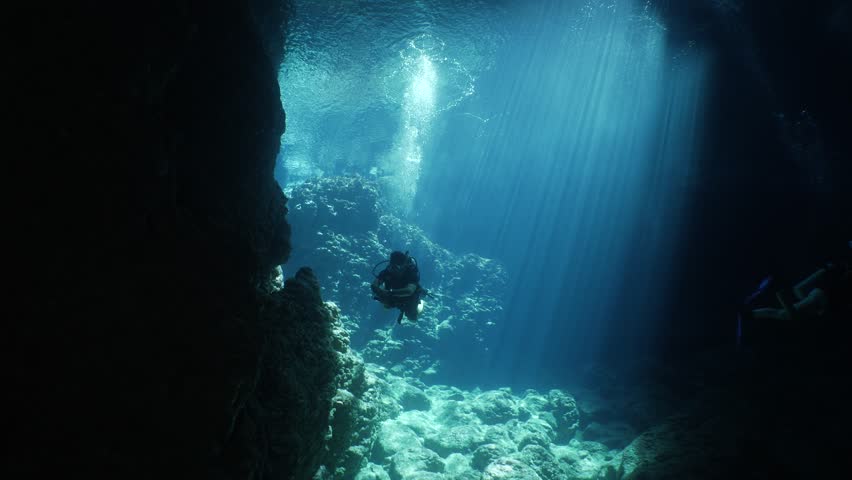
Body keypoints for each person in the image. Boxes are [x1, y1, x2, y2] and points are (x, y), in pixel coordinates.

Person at [371, 250, 425, 323]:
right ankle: (389, 303)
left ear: (404, 266)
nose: (393, 269)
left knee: (412, 318)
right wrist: (378, 291)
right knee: (386, 305)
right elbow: (374, 284)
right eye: (391, 266)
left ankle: (421, 302)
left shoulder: (411, 273)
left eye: (396, 267)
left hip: (409, 297)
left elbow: (409, 291)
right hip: (393, 293)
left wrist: (389, 292)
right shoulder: (387, 271)